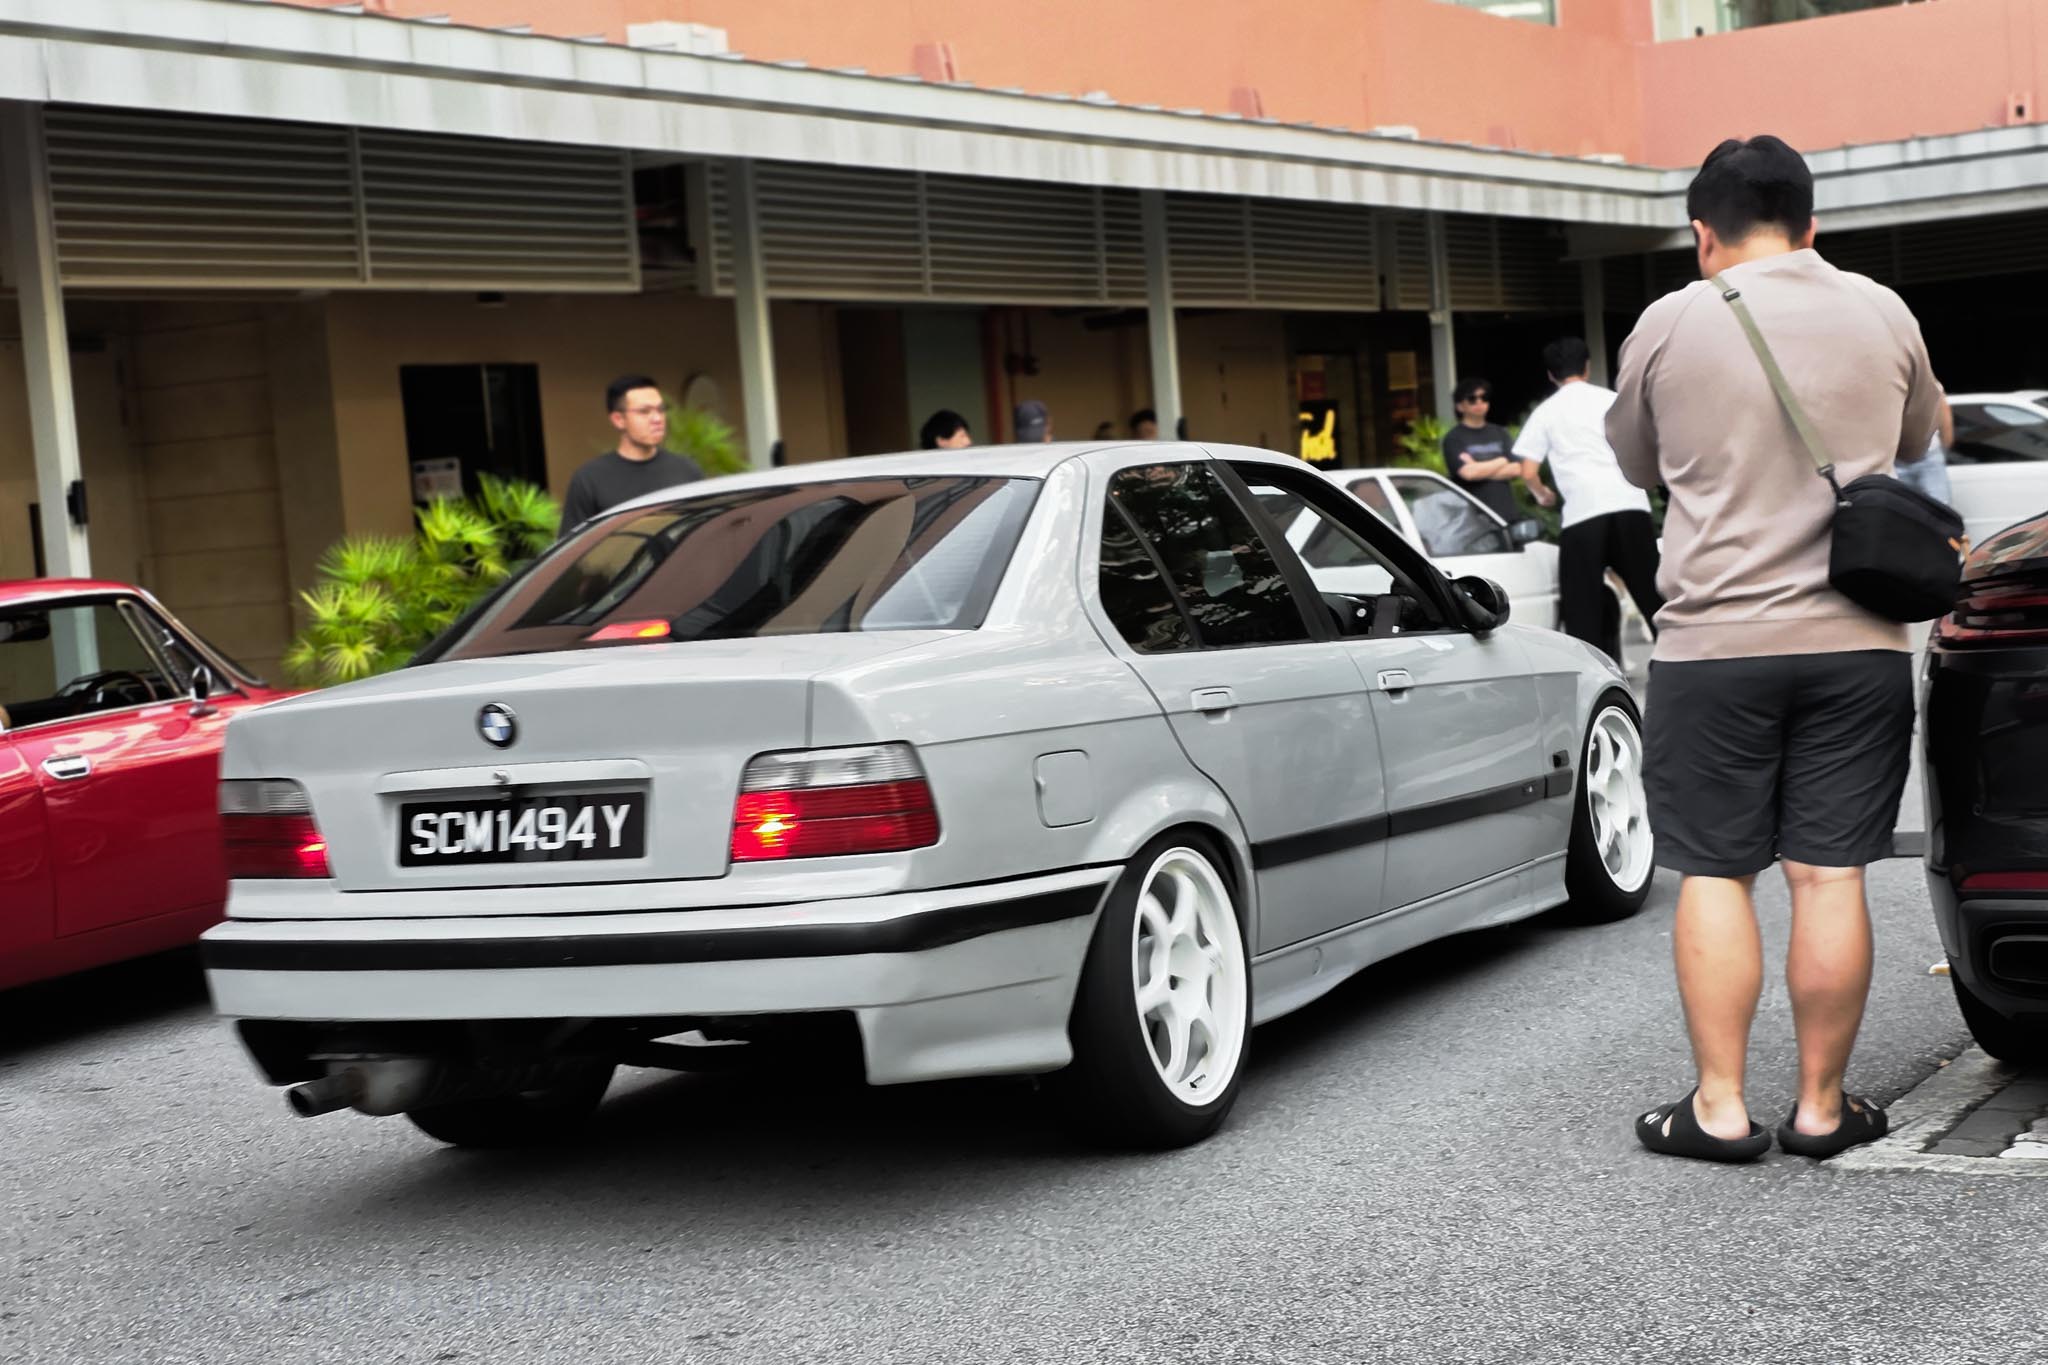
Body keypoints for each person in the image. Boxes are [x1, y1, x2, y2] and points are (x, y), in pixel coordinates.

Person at [1605, 134, 1941, 1163]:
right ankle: (1821, 1108)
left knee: (1715, 873)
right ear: (1810, 224)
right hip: (1857, 640)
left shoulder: (1670, 320)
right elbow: (1920, 438)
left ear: (1701, 234)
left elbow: (1635, 461)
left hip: (1713, 644)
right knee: (1829, 876)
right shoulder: (1881, 309)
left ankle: (1716, 1109)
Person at [1512, 338, 1664, 662]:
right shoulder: (1611, 399)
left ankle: (1594, 672)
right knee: (1653, 596)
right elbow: (1646, 444)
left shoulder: (1546, 412)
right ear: (1587, 367)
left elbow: (1527, 470)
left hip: (1583, 514)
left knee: (1583, 608)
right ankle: (1677, 660)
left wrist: (1542, 494)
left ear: (1551, 374)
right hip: (1629, 504)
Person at [557, 375, 702, 538]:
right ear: (618, 420)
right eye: (644, 411)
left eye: (661, 409)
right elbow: (573, 545)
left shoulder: (686, 470)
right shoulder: (589, 479)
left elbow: (703, 533)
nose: (657, 419)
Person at [1442, 376, 1552, 521]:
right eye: (1472, 399)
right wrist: (1501, 461)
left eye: (1484, 398)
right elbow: (1468, 473)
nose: (1479, 402)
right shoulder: (1453, 438)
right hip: (1472, 520)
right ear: (1460, 406)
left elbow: (1517, 469)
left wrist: (1478, 468)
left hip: (1506, 514)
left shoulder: (1500, 433)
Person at [1895, 387, 1954, 505]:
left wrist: (1944, 449)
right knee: (1904, 508)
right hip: (1899, 459)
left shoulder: (1930, 384)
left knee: (1937, 507)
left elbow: (1944, 414)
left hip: (1926, 455)